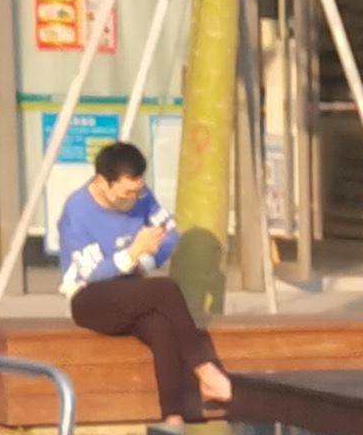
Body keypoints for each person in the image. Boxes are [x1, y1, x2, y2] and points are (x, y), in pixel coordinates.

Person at [57, 139, 234, 416]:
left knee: (160, 327)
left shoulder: (142, 196)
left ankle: (173, 417)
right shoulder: (77, 210)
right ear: (103, 183)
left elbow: (169, 235)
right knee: (165, 289)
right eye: (126, 193)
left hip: (131, 290)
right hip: (89, 297)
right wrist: (132, 253)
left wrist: (143, 260)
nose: (132, 199)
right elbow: (91, 273)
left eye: (137, 190)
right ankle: (204, 369)